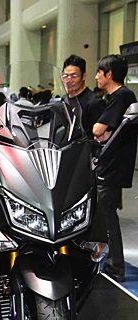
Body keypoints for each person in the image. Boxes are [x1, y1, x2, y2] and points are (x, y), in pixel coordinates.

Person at [92, 54, 137, 283]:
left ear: (109, 74)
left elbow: (98, 130)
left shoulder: (121, 96)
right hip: (111, 166)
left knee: (107, 216)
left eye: (99, 72)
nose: (96, 77)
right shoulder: (120, 97)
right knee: (105, 214)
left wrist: (102, 131)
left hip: (112, 167)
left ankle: (115, 266)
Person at [60, 55, 105, 140]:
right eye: (65, 76)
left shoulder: (94, 102)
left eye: (74, 76)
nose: (69, 80)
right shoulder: (64, 99)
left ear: (83, 76)